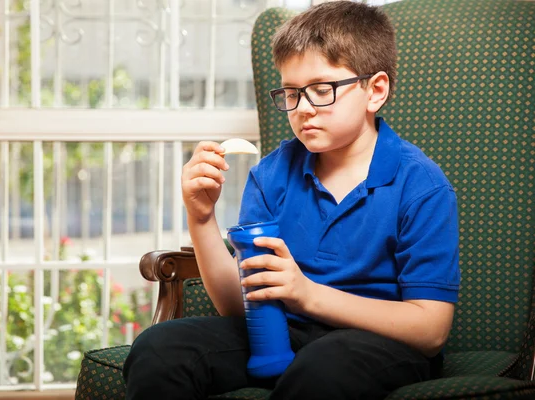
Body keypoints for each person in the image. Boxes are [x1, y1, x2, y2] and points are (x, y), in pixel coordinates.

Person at [123, 1, 460, 399]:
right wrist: (201, 218)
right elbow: (239, 304)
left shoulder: (422, 185)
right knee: (159, 349)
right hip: (281, 332)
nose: (302, 109)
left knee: (323, 369)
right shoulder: (271, 175)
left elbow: (431, 330)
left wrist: (307, 294)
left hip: (379, 343)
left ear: (376, 90)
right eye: (291, 93)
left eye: (321, 90)